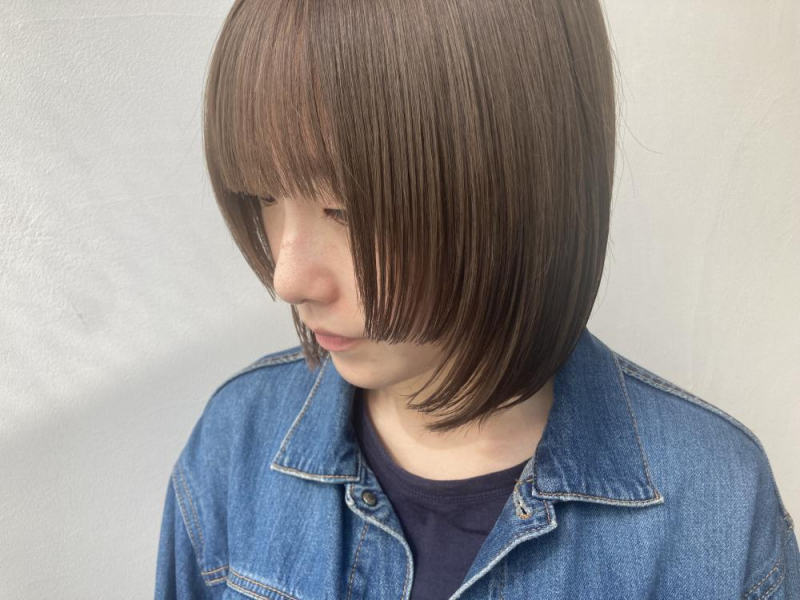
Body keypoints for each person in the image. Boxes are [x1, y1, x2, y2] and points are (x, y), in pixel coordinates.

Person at [155, 0, 799, 598]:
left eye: (345, 208)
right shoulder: (235, 444)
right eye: (263, 197)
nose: (287, 279)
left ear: (518, 179)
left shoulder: (713, 504)